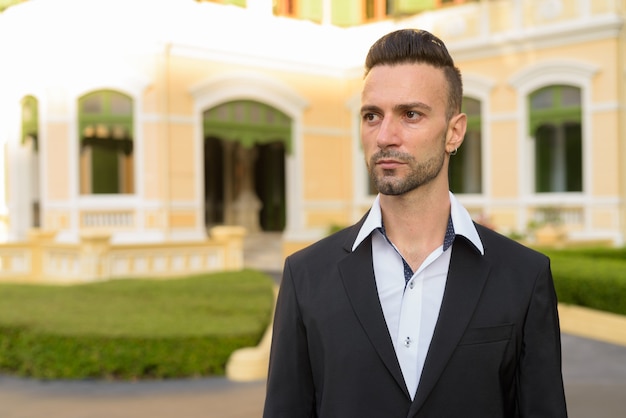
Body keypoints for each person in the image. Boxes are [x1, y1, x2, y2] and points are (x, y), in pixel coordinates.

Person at [263, 28, 568, 417]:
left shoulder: (524, 276)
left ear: (454, 132)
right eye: (372, 116)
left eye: (411, 114)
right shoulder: (305, 276)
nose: (385, 136)